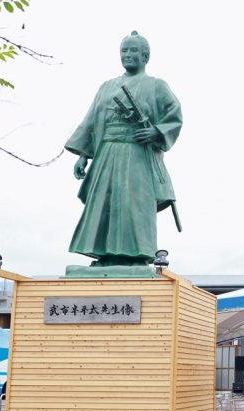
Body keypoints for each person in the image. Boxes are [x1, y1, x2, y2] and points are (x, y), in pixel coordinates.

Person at [66, 31, 182, 267]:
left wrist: (156, 131)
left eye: (133, 51)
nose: (127, 55)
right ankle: (106, 255)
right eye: (124, 51)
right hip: (107, 153)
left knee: (134, 205)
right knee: (105, 203)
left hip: (137, 153)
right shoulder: (107, 87)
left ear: (145, 56)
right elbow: (91, 120)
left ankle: (137, 256)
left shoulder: (157, 86)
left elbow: (174, 116)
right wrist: (83, 154)